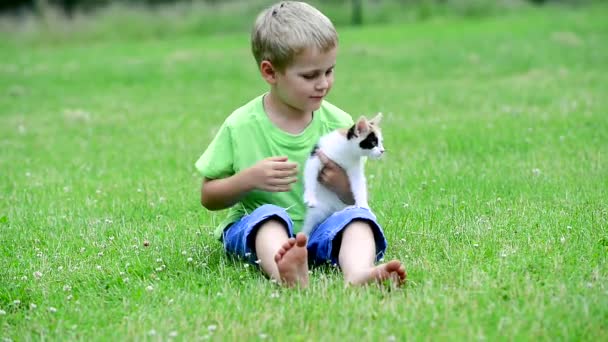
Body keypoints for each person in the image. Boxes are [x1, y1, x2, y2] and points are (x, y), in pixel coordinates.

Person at [195, 1, 406, 288]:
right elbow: (209, 196)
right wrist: (248, 179)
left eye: (329, 71)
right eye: (310, 76)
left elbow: (353, 197)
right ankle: (284, 271)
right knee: (269, 217)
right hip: (256, 231)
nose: (323, 84)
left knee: (357, 218)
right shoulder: (241, 125)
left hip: (321, 230)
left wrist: (342, 184)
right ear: (270, 72)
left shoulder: (339, 124)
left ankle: (358, 272)